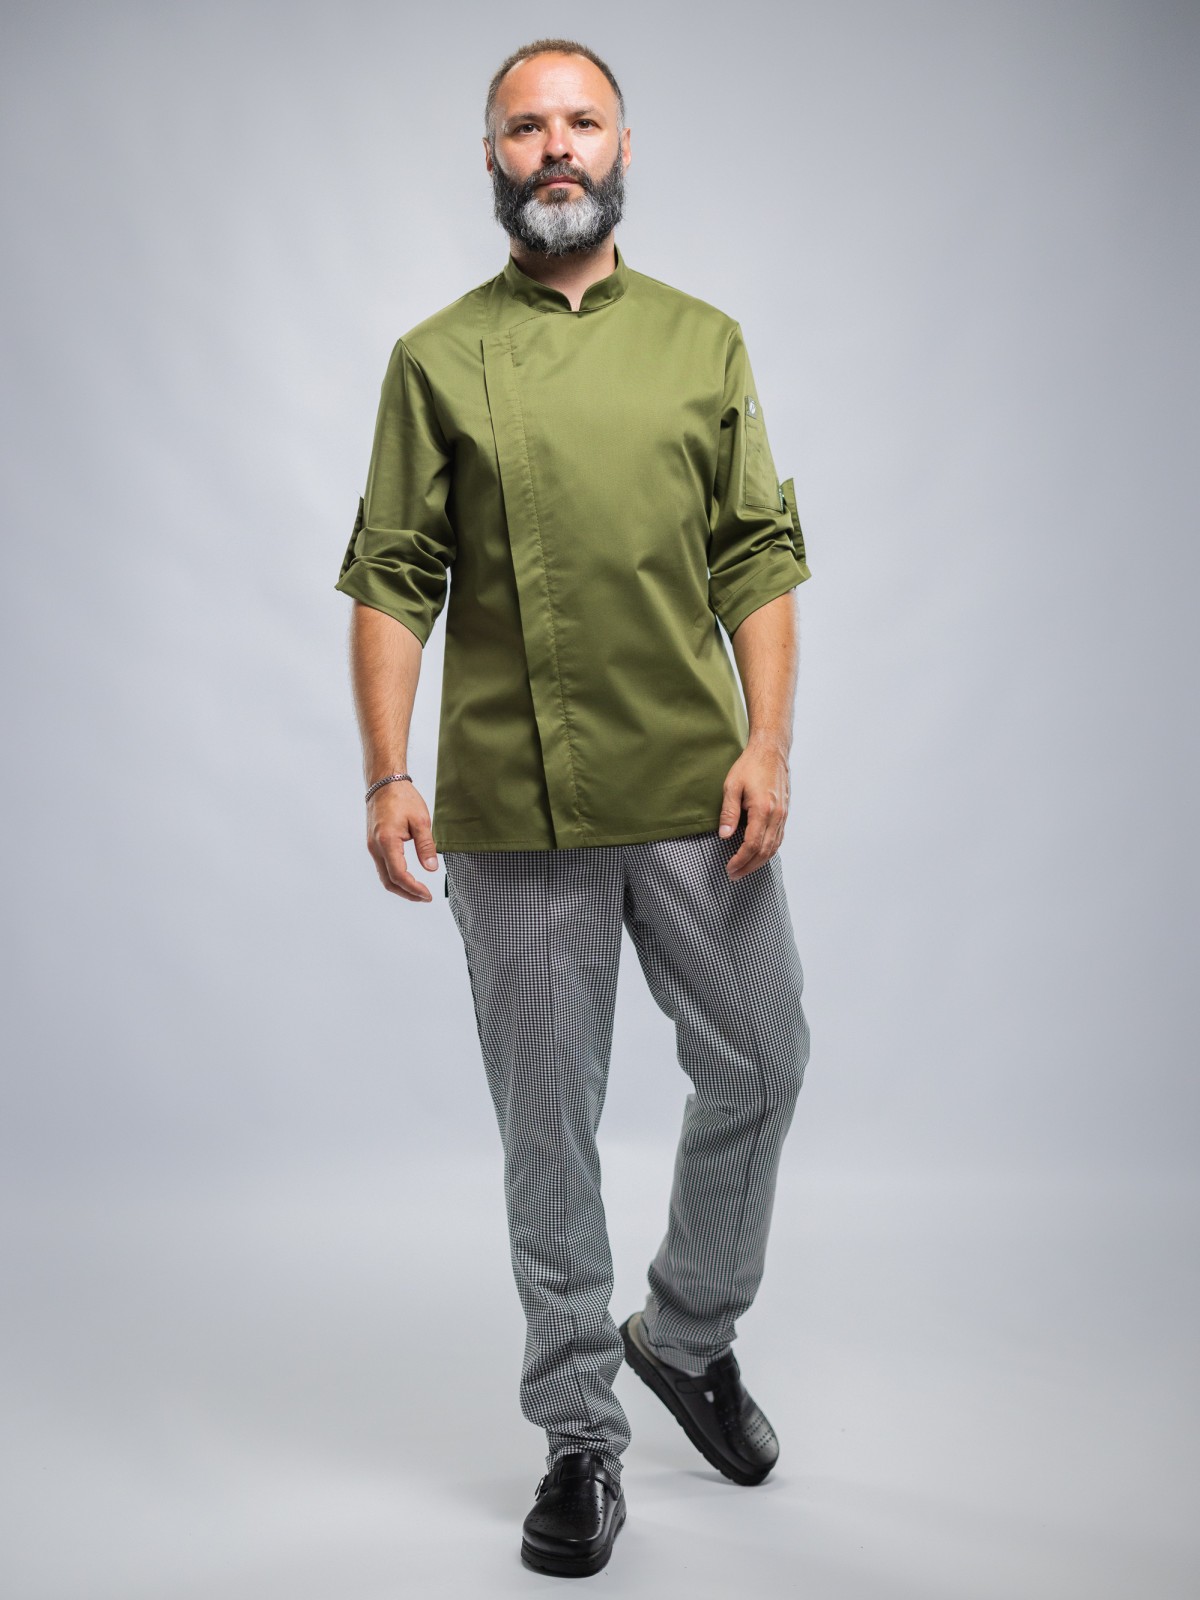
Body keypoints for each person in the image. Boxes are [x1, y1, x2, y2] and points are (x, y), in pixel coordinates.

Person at [335, 37, 812, 1579]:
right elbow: (393, 576)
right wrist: (388, 771)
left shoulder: (703, 343)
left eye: (581, 121)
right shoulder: (434, 358)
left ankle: (688, 1330)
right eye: (526, 126)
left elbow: (757, 557)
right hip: (514, 803)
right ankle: (580, 1436)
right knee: (549, 1127)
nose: (556, 146)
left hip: (694, 784)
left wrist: (770, 742)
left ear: (622, 147)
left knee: (763, 1062)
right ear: (492, 158)